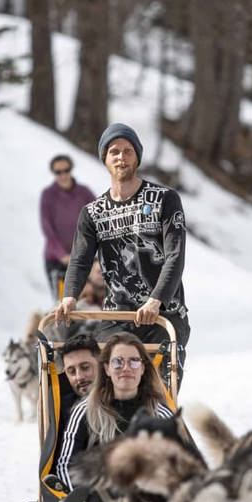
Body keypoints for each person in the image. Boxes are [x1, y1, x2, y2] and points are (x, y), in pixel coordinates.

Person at [53, 123, 190, 383]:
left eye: (128, 151)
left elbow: (175, 256)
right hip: (117, 316)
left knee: (157, 393)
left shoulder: (164, 199)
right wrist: (69, 296)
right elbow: (80, 260)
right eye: (114, 151)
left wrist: (156, 300)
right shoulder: (93, 213)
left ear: (137, 156)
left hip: (164, 316)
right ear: (104, 158)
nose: (121, 157)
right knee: (106, 391)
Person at [54, 333, 173, 491]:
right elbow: (65, 465)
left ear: (143, 368)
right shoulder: (82, 410)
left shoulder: (159, 412)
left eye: (134, 362)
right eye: (117, 362)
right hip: (96, 499)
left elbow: (182, 463)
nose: (126, 368)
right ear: (107, 368)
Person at [40, 154, 95, 302]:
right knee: (63, 304)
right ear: (54, 173)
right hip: (57, 262)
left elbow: (97, 220)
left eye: (66, 170)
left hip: (83, 260)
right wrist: (62, 255)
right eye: (58, 172)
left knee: (88, 301)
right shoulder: (48, 196)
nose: (63, 175)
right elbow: (48, 230)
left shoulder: (84, 193)